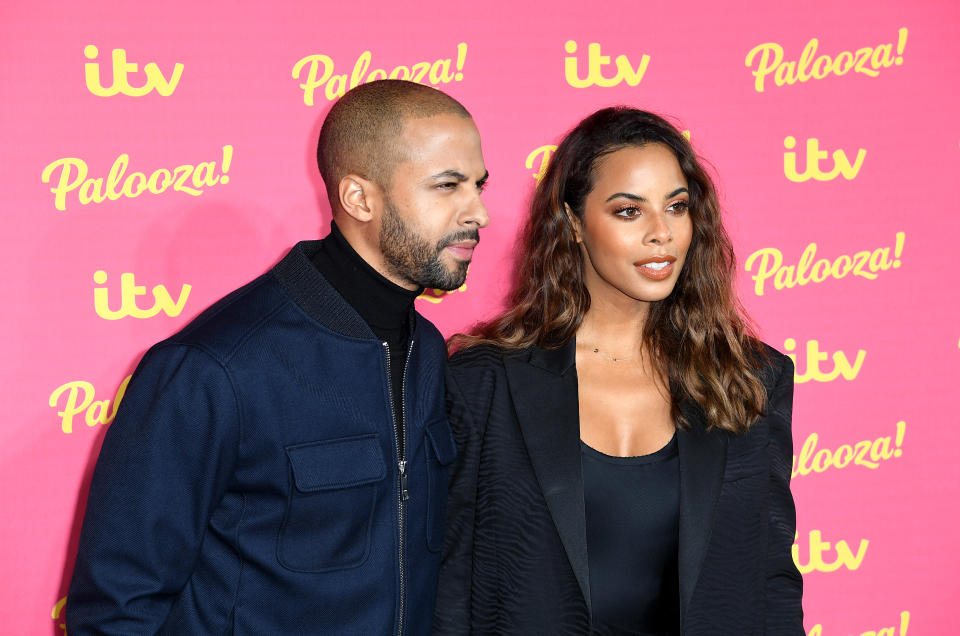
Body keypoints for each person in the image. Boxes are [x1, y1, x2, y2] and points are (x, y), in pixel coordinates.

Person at [66, 79, 489, 635]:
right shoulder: (212, 368)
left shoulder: (428, 352)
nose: (478, 211)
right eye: (448, 186)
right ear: (359, 197)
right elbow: (117, 609)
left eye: (479, 185)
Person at [433, 107, 803, 635]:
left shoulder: (748, 379)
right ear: (574, 223)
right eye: (629, 211)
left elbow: (771, 582)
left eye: (676, 207)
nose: (662, 234)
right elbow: (452, 587)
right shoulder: (485, 382)